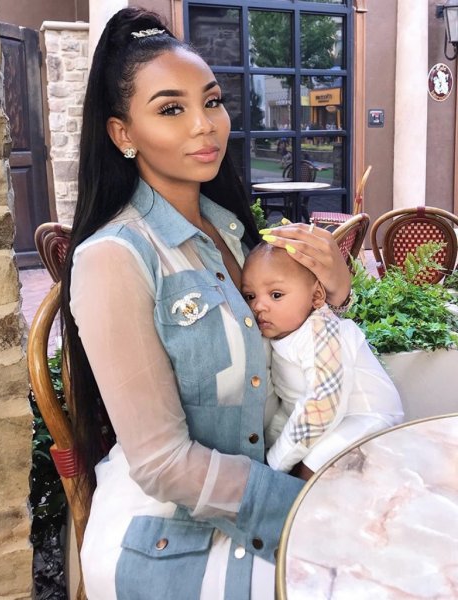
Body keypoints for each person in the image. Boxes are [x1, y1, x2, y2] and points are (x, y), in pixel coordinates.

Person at [60, 7, 353, 599]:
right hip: (171, 534)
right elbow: (162, 463)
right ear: (122, 134)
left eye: (212, 101)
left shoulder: (234, 233)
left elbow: (286, 356)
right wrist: (309, 507)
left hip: (270, 483)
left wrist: (334, 295)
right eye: (171, 109)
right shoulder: (114, 258)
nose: (205, 125)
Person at [241, 242, 403, 478]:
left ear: (316, 296)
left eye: (276, 295)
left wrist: (275, 463)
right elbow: (291, 405)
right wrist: (271, 446)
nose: (258, 306)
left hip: (368, 419)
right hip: (332, 420)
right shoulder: (282, 334)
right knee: (299, 459)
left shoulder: (322, 332)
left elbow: (322, 406)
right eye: (250, 296)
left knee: (312, 467)